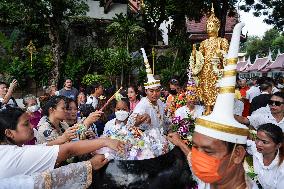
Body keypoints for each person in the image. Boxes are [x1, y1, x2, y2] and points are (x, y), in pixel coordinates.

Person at [0, 107, 124, 179]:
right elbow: (68, 150)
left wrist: (62, 139)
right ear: (9, 133)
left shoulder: (63, 124)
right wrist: (104, 141)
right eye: (65, 108)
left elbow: (45, 147)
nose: (32, 126)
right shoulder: (44, 128)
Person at [189, 6, 229, 115]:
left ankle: (217, 108)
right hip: (205, 70)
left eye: (213, 25)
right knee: (206, 88)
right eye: (209, 25)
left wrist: (219, 54)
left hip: (217, 69)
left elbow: (226, 55)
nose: (211, 27)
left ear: (218, 27)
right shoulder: (204, 43)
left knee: (217, 88)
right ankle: (207, 108)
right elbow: (200, 57)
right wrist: (194, 53)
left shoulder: (222, 41)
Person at [246, 123, 284, 189]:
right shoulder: (255, 149)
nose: (258, 144)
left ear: (278, 145)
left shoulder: (282, 168)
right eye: (257, 139)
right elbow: (240, 142)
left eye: (264, 142)